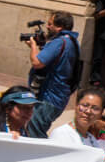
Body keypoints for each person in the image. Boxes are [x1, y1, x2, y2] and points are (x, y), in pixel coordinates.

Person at [26, 9, 80, 137]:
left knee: (35, 130)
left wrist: (33, 46)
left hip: (50, 97)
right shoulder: (70, 40)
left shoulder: (59, 42)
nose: (47, 27)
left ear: (59, 27)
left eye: (50, 24)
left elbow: (37, 63)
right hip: (58, 96)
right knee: (35, 128)